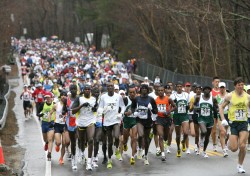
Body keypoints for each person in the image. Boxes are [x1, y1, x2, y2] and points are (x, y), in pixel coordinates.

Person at [219, 77, 250, 173]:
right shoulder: (230, 96)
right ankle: (229, 142)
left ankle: (240, 165)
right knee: (233, 148)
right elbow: (221, 107)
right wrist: (223, 119)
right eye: (239, 85)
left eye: (242, 85)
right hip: (233, 124)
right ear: (235, 86)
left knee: (242, 145)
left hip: (244, 123)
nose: (241, 86)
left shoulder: (248, 96)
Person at [97, 82, 125, 169]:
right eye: (108, 86)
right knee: (109, 142)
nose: (110, 87)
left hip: (115, 120)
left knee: (117, 137)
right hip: (106, 122)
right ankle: (109, 160)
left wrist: (121, 113)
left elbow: (123, 106)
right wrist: (102, 111)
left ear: (113, 87)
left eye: (111, 86)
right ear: (107, 88)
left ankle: (116, 149)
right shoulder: (103, 97)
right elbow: (100, 108)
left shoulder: (118, 96)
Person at [131, 84, 158, 165]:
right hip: (139, 120)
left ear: (147, 90)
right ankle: (139, 148)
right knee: (141, 135)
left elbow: (156, 111)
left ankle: (145, 156)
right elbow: (132, 107)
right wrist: (134, 112)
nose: (144, 90)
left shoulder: (151, 99)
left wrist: (151, 109)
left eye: (145, 88)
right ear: (140, 90)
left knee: (146, 140)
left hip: (148, 121)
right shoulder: (136, 98)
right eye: (142, 88)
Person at [72, 85, 97, 171]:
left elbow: (96, 108)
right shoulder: (79, 98)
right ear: (83, 90)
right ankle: (81, 152)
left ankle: (89, 162)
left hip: (91, 121)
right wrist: (81, 106)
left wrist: (95, 109)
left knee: (90, 140)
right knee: (81, 140)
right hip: (81, 122)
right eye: (85, 89)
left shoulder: (94, 99)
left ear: (90, 90)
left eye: (88, 89)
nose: (87, 90)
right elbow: (73, 110)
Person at [194, 85, 218, 158]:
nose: (207, 90)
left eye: (208, 89)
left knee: (207, 136)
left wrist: (215, 109)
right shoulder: (199, 97)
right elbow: (194, 105)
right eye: (205, 89)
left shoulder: (213, 98)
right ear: (203, 91)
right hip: (201, 118)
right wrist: (196, 108)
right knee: (204, 131)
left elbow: (217, 107)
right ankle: (201, 139)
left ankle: (204, 151)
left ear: (210, 91)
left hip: (210, 119)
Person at [48, 91, 70, 165]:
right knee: (59, 142)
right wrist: (49, 122)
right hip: (57, 125)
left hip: (64, 125)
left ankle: (61, 158)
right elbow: (50, 113)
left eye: (65, 95)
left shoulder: (68, 105)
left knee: (65, 143)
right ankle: (57, 145)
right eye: (62, 95)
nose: (64, 96)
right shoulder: (56, 105)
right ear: (60, 97)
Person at [155, 85, 176, 161]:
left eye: (161, 90)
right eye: (159, 90)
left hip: (167, 119)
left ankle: (165, 142)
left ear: (164, 91)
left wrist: (168, 111)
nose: (160, 92)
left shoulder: (168, 99)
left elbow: (174, 107)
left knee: (165, 136)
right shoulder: (156, 100)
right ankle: (163, 154)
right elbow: (153, 110)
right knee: (161, 135)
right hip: (159, 119)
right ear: (157, 92)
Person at [170, 81, 190, 157]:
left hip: (184, 115)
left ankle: (183, 142)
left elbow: (188, 105)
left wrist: (188, 107)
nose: (179, 88)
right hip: (176, 116)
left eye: (180, 86)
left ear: (182, 87)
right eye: (177, 86)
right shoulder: (173, 95)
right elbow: (171, 106)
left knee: (185, 132)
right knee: (178, 135)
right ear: (176, 87)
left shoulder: (186, 95)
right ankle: (178, 148)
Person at [121, 86, 137, 165]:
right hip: (127, 121)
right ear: (128, 93)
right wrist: (125, 113)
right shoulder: (125, 99)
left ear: (135, 92)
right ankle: (124, 144)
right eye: (130, 92)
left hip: (135, 121)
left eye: (133, 92)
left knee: (134, 138)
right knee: (125, 139)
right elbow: (120, 109)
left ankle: (132, 157)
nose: (132, 94)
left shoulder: (138, 99)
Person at [38, 92, 55, 160]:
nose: (47, 98)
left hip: (51, 123)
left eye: (48, 97)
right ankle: (46, 143)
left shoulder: (54, 104)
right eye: (46, 97)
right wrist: (40, 114)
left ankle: (49, 153)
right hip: (44, 123)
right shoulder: (43, 104)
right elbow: (38, 112)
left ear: (51, 97)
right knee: (46, 139)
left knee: (50, 139)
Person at [65, 84, 78, 170]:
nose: (73, 90)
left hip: (78, 122)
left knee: (80, 140)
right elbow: (64, 110)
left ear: (77, 90)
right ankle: (73, 159)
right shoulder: (67, 100)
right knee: (73, 142)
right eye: (71, 89)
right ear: (70, 90)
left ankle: (81, 153)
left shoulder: (79, 99)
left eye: (74, 89)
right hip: (70, 123)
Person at [216, 82, 229, 157]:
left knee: (226, 133)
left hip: (228, 115)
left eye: (223, 87)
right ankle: (224, 150)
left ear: (225, 87)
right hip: (220, 115)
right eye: (221, 87)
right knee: (223, 132)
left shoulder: (228, 95)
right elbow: (215, 105)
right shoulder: (217, 96)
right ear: (219, 88)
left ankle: (224, 142)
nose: (222, 89)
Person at [211, 76, 220, 151]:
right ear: (213, 82)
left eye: (218, 82)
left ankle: (222, 140)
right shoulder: (211, 92)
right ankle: (214, 144)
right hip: (213, 112)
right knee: (213, 131)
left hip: (221, 113)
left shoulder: (222, 91)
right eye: (216, 82)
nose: (217, 83)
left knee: (222, 129)